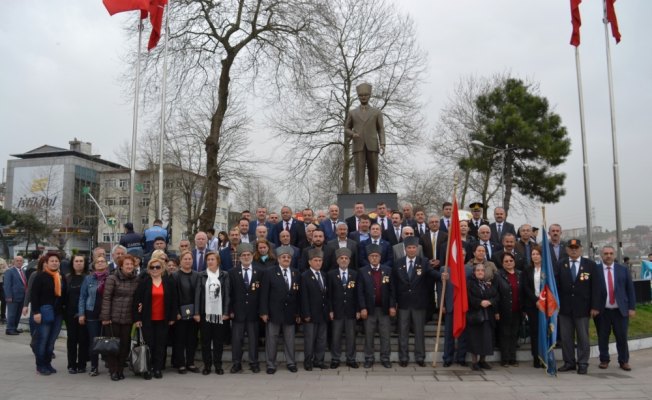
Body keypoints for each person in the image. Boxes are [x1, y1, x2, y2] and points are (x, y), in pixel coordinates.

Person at [393, 236, 445, 367]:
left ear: (417, 249)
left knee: (419, 332)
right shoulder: (398, 263)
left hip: (419, 304)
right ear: (405, 249)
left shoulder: (424, 262)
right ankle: (403, 357)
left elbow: (432, 273)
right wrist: (394, 302)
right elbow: (393, 285)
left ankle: (420, 356)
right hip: (403, 303)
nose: (411, 250)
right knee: (403, 332)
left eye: (413, 248)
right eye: (409, 248)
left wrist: (442, 276)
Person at [555, 239, 601, 375]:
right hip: (564, 308)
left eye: (576, 247)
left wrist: (595, 306)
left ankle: (582, 363)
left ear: (581, 249)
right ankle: (569, 362)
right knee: (566, 338)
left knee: (583, 337)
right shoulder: (560, 264)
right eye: (571, 248)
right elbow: (556, 286)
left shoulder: (590, 265)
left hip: (583, 308)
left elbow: (596, 288)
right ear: (567, 250)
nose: (574, 250)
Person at [133, 258, 177, 380]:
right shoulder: (144, 282)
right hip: (147, 320)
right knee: (149, 345)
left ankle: (157, 368)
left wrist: (173, 316)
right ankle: (147, 368)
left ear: (162, 268)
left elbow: (174, 300)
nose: (155, 269)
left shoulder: (168, 282)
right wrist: (137, 318)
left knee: (160, 345)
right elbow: (137, 301)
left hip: (163, 319)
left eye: (157, 267)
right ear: (149, 269)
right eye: (152, 267)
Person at [259, 246, 301, 374]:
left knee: (290, 339)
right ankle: (271, 364)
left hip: (290, 313)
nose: (286, 259)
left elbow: (298, 295)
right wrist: (264, 312)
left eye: (288, 257)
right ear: (278, 259)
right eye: (283, 257)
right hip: (273, 312)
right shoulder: (269, 272)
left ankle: (291, 362)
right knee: (272, 339)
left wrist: (298, 313)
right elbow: (264, 294)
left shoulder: (296, 273)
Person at [594, 245, 636, 372]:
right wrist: (593, 307)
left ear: (614, 255)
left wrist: (632, 307)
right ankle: (604, 360)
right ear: (601, 255)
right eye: (606, 253)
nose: (608, 256)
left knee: (622, 336)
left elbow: (630, 290)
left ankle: (623, 361)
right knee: (602, 336)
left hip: (620, 310)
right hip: (602, 310)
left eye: (611, 253)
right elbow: (592, 291)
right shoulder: (595, 270)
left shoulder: (623, 270)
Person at [100, 254, 140, 381]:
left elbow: (138, 298)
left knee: (125, 345)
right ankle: (113, 371)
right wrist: (106, 317)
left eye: (131, 264)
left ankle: (120, 370)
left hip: (128, 318)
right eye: (126, 264)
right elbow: (106, 298)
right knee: (113, 345)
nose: (129, 266)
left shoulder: (136, 279)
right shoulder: (112, 278)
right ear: (121, 266)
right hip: (113, 318)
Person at [357, 244, 395, 369]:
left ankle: (385, 358)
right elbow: (360, 292)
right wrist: (362, 308)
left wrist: (392, 306)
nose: (374, 258)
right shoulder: (362, 271)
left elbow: (392, 290)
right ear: (368, 258)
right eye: (372, 256)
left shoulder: (387, 270)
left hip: (384, 309)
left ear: (380, 257)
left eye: (376, 256)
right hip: (369, 310)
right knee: (369, 335)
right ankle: (369, 358)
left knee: (385, 335)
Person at [344, 82, 385, 193]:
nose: (363, 97)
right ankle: (359, 192)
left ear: (369, 95)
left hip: (372, 144)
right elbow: (346, 128)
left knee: (374, 170)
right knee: (359, 170)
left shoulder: (376, 112)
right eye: (361, 95)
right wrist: (352, 134)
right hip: (358, 145)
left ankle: (373, 191)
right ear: (358, 96)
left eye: (365, 95)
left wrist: (382, 144)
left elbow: (381, 128)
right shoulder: (352, 113)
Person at [228, 244, 263, 374]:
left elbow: (262, 294)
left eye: (248, 254)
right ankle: (236, 363)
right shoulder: (232, 272)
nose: (246, 257)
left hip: (254, 313)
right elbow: (229, 293)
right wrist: (230, 310)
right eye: (244, 255)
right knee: (237, 340)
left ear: (252, 256)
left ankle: (254, 363)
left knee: (253, 340)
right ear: (240, 257)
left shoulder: (259, 272)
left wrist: (262, 310)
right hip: (237, 313)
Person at [31, 252, 66, 376]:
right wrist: (36, 312)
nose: (54, 263)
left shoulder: (60, 276)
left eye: (56, 261)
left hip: (57, 313)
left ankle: (48, 363)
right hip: (44, 312)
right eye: (52, 261)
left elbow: (64, 294)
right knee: (43, 340)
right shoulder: (40, 276)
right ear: (47, 263)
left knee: (51, 341)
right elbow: (34, 295)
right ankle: (40, 365)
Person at [195, 252, 230, 375]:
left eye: (212, 259)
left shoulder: (224, 275)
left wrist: (226, 312)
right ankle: (207, 365)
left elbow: (227, 295)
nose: (210, 261)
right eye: (208, 259)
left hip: (220, 314)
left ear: (218, 261)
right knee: (205, 341)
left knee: (218, 341)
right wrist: (197, 313)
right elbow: (198, 295)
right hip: (205, 314)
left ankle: (218, 365)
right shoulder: (201, 275)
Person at [328, 248, 359, 369]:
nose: (344, 260)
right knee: (336, 336)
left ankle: (351, 358)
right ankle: (335, 359)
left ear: (349, 260)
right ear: (337, 260)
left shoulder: (355, 274)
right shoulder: (331, 274)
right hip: (337, 311)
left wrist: (357, 309)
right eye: (341, 258)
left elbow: (357, 293)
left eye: (346, 258)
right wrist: (330, 310)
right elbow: (329, 294)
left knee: (351, 336)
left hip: (351, 311)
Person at [78, 255, 110, 377]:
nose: (101, 263)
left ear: (107, 264)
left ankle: (110, 364)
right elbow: (83, 297)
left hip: (107, 313)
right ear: (94, 265)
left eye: (103, 261)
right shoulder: (88, 279)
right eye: (98, 262)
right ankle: (94, 366)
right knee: (94, 340)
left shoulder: (111, 278)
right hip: (91, 312)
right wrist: (81, 313)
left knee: (108, 339)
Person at [171, 250, 200, 374]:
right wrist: (176, 312)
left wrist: (197, 312)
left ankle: (190, 362)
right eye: (185, 259)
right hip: (180, 314)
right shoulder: (175, 276)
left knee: (192, 339)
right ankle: (181, 363)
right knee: (180, 339)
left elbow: (199, 295)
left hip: (194, 313)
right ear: (180, 262)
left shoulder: (197, 275)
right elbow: (173, 296)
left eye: (190, 259)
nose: (188, 261)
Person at [300, 249, 330, 371]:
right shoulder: (305, 276)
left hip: (323, 313)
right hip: (311, 314)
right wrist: (306, 313)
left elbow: (326, 295)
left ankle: (319, 360)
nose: (318, 263)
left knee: (321, 339)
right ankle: (308, 361)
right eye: (315, 260)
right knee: (310, 339)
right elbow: (303, 296)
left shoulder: (324, 275)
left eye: (320, 260)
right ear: (310, 262)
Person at [466, 263, 499, 371]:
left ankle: (483, 361)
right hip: (475, 315)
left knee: (486, 339)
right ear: (474, 272)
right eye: (478, 270)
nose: (480, 272)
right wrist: (480, 302)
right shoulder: (470, 283)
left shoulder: (488, 284)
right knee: (475, 339)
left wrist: (490, 301)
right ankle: (474, 362)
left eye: (482, 270)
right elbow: (469, 298)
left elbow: (496, 296)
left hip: (488, 315)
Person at [495, 252, 523, 367]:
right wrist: (496, 311)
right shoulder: (498, 275)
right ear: (502, 263)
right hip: (504, 310)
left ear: (514, 261)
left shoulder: (520, 274)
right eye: (506, 261)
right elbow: (495, 294)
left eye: (510, 260)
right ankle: (505, 359)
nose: (509, 263)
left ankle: (513, 358)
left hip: (518, 309)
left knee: (514, 334)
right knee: (505, 334)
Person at [64, 255, 88, 374]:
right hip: (70, 313)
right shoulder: (67, 278)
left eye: (81, 261)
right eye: (76, 261)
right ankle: (72, 364)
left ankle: (82, 364)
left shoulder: (88, 278)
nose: (79, 263)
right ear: (72, 264)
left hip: (84, 314)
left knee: (83, 339)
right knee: (72, 340)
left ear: (84, 263)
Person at [522, 245, 544, 368]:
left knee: (545, 331)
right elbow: (526, 287)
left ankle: (545, 355)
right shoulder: (527, 270)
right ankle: (536, 357)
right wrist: (536, 300)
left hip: (545, 304)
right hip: (532, 304)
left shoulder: (547, 270)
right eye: (533, 254)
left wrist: (542, 300)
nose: (535, 256)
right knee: (535, 332)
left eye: (537, 254)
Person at [4, 255, 27, 335]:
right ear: (14, 262)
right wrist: (8, 296)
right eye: (17, 260)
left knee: (18, 314)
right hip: (13, 297)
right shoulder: (9, 271)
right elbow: (7, 285)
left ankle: (14, 328)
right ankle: (9, 329)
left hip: (22, 296)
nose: (19, 262)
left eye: (21, 261)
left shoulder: (22, 271)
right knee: (12, 314)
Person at [0, 257, 7, 324]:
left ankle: (3, 316)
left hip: (1, 282)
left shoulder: (2, 260)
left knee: (4, 299)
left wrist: (1, 271)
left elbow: (6, 269)